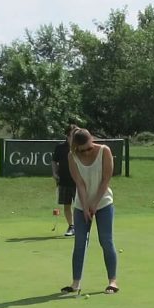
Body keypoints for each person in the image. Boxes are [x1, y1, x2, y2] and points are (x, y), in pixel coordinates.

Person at [65, 127, 118, 294]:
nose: (87, 152)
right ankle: (76, 283)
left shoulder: (104, 151)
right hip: (82, 205)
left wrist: (94, 204)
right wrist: (86, 204)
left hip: (103, 203)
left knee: (106, 241)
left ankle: (112, 281)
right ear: (76, 148)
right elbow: (79, 184)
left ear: (92, 139)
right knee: (80, 243)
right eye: (83, 150)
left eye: (89, 147)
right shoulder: (72, 156)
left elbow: (105, 180)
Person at [53, 124, 77, 237]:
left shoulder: (80, 147)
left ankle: (80, 227)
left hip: (78, 181)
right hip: (64, 180)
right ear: (67, 136)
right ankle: (71, 226)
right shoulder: (60, 148)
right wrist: (55, 173)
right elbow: (54, 161)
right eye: (73, 134)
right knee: (67, 205)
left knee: (79, 205)